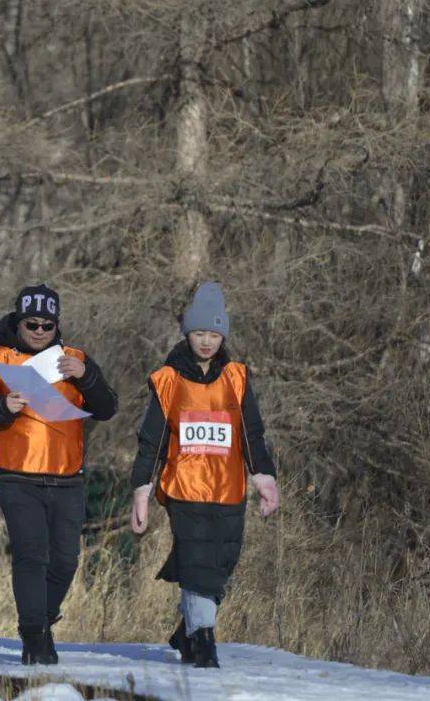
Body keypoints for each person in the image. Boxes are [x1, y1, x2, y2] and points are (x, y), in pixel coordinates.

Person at [0, 284, 118, 665]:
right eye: (31, 323)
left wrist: (87, 378)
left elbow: (108, 408)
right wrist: (3, 407)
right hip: (16, 477)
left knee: (65, 561)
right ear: (18, 322)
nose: (38, 330)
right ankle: (33, 636)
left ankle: (43, 621)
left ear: (56, 326)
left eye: (47, 325)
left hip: (67, 478)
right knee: (31, 555)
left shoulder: (75, 359)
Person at [129, 282, 280, 668]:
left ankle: (187, 631)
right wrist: (141, 490)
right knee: (197, 562)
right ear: (187, 333)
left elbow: (252, 432)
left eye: (214, 334)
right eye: (200, 333)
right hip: (185, 487)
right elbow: (152, 442)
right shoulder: (169, 380)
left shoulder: (237, 378)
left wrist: (264, 477)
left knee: (221, 564)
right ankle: (204, 641)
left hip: (228, 489)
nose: (207, 341)